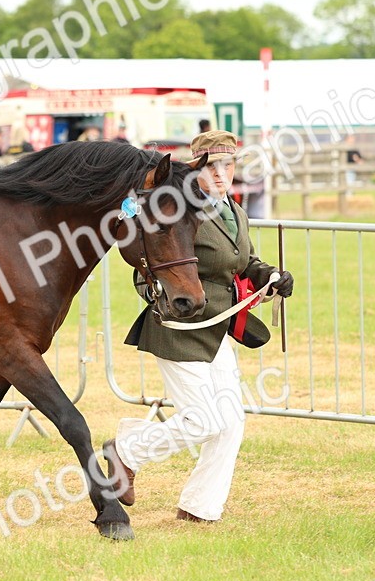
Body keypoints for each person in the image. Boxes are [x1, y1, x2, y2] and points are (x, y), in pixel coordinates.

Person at [101, 130, 294, 524]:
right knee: (202, 420)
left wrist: (269, 274)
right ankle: (126, 452)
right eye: (214, 165)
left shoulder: (234, 211)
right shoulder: (172, 211)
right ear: (196, 168)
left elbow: (242, 262)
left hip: (220, 329)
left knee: (230, 422)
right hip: (180, 329)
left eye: (230, 164)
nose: (223, 173)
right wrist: (159, 296)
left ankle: (199, 508)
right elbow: (147, 266)